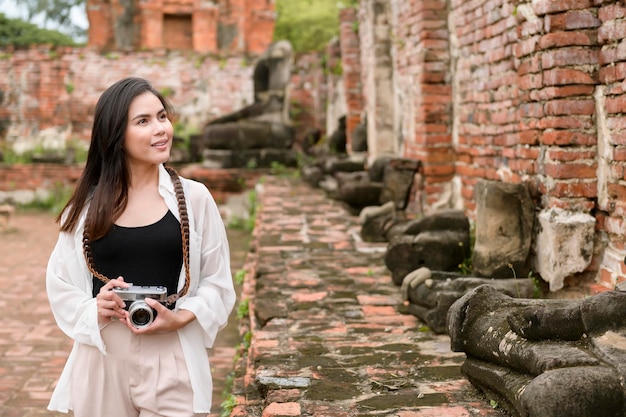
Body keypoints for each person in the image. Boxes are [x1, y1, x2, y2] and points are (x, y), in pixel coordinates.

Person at [45, 77, 236, 416]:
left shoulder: (194, 199)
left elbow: (218, 282)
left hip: (172, 353)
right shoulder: (86, 207)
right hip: (103, 355)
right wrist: (95, 307)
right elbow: (59, 283)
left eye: (162, 117)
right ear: (116, 135)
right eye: (143, 121)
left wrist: (181, 319)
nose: (161, 129)